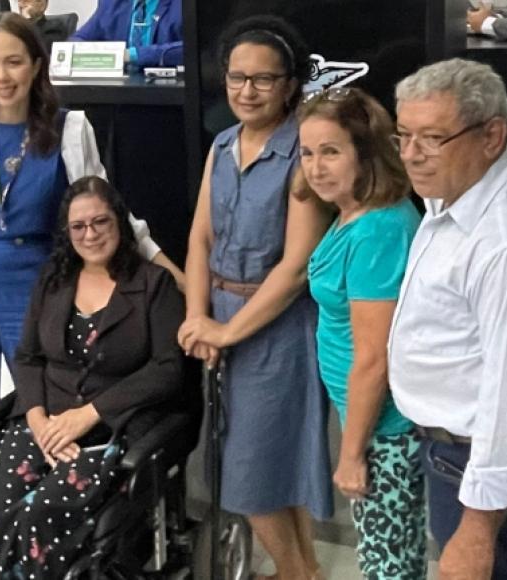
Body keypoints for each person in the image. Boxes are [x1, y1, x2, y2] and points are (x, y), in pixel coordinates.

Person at [0, 11, 182, 511]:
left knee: (44, 419)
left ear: (37, 65)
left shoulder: (69, 128)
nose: (1, 76)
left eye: (13, 62)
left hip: (40, 295)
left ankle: (33, 527)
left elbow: (108, 212)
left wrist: (176, 275)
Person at [388, 58, 507, 580]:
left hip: (479, 460)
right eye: (403, 135)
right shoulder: (462, 187)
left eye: (432, 138)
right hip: (456, 449)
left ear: (492, 136)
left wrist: (477, 528)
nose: (411, 154)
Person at [0, 175, 185, 579]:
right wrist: (38, 421)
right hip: (43, 422)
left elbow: (169, 369)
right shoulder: (54, 280)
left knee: (37, 516)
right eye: (79, 226)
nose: (90, 235)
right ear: (67, 232)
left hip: (111, 430)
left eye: (101, 222)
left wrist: (89, 414)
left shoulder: (153, 284)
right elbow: (28, 357)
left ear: (119, 222)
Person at [177, 16, 334, 580]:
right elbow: (199, 239)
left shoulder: (303, 152)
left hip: (279, 329)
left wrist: (226, 332)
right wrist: (197, 317)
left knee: (253, 472)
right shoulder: (222, 144)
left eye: (263, 79)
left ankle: (296, 573)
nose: (247, 91)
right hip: (219, 317)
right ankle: (304, 569)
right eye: (236, 78)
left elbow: (295, 268)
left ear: (290, 85)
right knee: (265, 464)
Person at [297, 87, 425, 579]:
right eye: (307, 153)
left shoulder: (378, 230)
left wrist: (351, 455)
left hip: (385, 432)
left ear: (366, 152)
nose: (316, 167)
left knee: (387, 567)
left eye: (331, 151)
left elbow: (374, 358)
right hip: (370, 424)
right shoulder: (351, 212)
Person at [70, 0, 183, 68]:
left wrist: (132, 55)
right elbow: (77, 41)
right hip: (118, 92)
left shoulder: (183, 5)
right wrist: (101, 54)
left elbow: (190, 49)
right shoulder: (111, 3)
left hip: (168, 92)